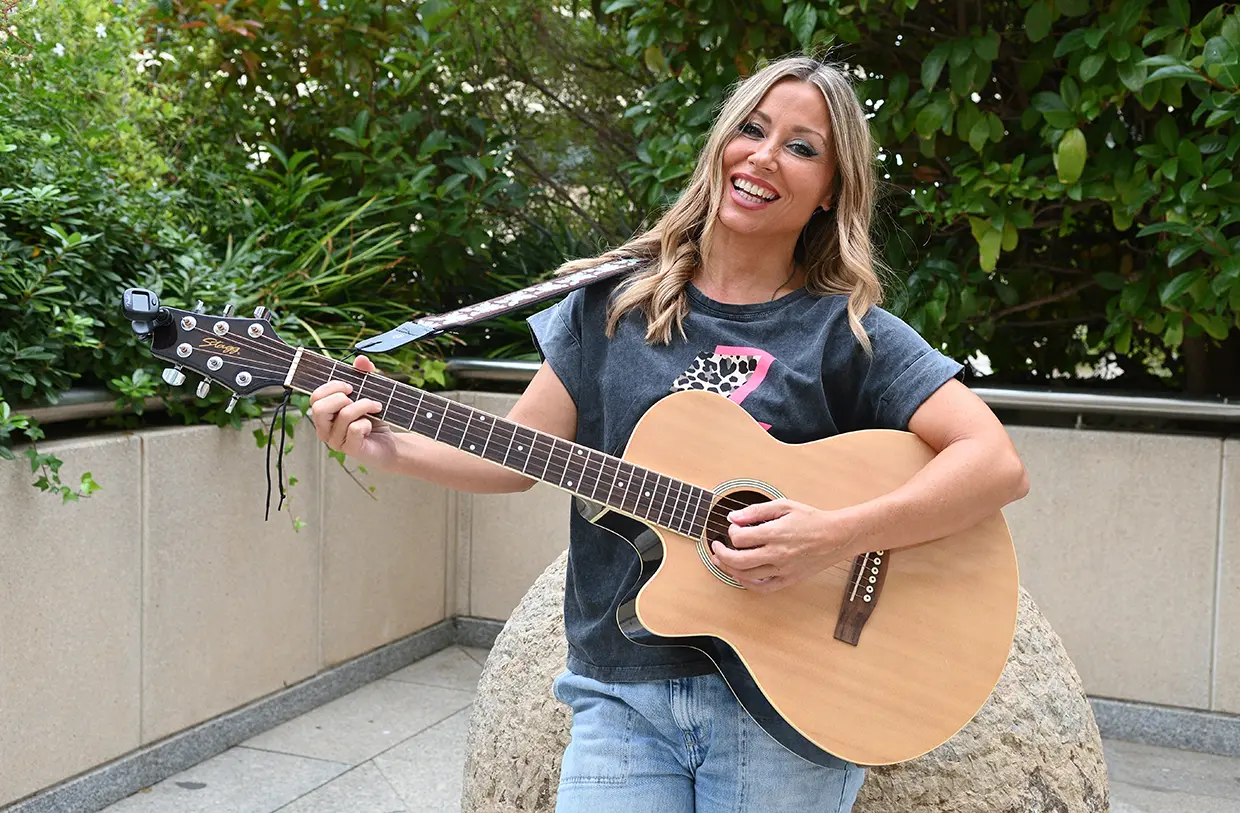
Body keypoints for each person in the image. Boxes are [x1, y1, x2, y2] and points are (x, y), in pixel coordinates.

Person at [309, 54, 1030, 813]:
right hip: (621, 692)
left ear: (831, 192)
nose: (763, 156)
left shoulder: (846, 333)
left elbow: (995, 464)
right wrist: (385, 445)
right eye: (751, 129)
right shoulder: (610, 307)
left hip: (787, 711)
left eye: (801, 146)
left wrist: (833, 534)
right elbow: (520, 454)